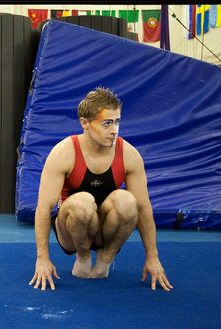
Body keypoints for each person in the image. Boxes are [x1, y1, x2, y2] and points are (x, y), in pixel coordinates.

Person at [29, 87, 172, 292]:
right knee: (83, 202)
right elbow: (43, 208)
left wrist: (152, 256)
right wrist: (42, 258)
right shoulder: (64, 153)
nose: (114, 130)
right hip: (71, 231)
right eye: (107, 123)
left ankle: (105, 260)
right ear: (84, 123)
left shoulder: (129, 155)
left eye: (117, 122)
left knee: (128, 201)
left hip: (107, 229)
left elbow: (143, 208)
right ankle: (84, 256)